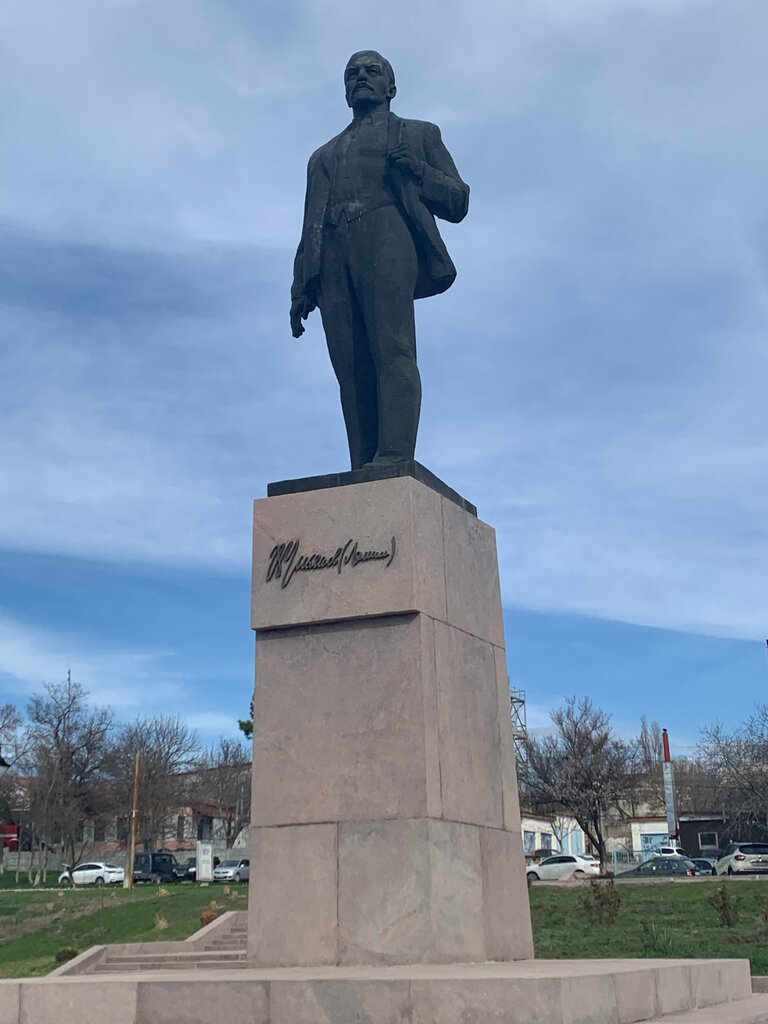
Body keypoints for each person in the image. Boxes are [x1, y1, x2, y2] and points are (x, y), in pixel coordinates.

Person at [290, 51, 469, 470]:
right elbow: (309, 225)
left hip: (387, 234)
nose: (361, 77)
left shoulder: (419, 134)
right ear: (345, 92)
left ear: (391, 88)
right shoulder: (322, 157)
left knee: (392, 347)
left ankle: (394, 454)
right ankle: (362, 465)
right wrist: (301, 285)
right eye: (352, 74)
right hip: (332, 256)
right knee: (349, 367)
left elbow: (458, 201)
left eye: (372, 71)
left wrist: (419, 170)